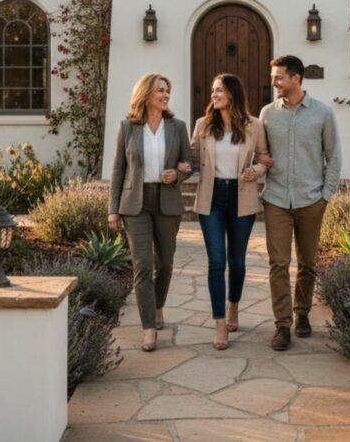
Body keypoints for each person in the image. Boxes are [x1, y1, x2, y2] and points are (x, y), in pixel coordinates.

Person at [258, 55, 341, 351]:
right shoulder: (267, 114)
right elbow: (261, 154)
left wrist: (325, 195)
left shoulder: (322, 113)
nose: (274, 82)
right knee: (278, 264)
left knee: (307, 263)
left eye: (279, 77)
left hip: (310, 200)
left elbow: (334, 156)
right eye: (273, 77)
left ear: (296, 78)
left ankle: (302, 313)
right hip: (276, 199)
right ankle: (282, 325)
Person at [108, 73, 193, 352]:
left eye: (167, 90)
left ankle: (158, 306)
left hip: (167, 202)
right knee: (142, 265)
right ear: (145, 94)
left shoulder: (177, 127)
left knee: (165, 264)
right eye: (160, 90)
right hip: (136, 204)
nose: (165, 95)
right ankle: (148, 328)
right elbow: (118, 170)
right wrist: (113, 210)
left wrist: (177, 176)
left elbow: (188, 164)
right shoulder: (128, 127)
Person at [189, 73, 270, 350]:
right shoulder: (203, 125)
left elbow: (263, 159)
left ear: (233, 94)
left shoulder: (254, 125)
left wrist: (255, 170)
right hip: (211, 198)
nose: (213, 94)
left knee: (237, 261)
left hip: (242, 197)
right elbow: (189, 158)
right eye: (212, 90)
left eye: (219, 90)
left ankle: (233, 304)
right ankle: (220, 322)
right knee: (216, 262)